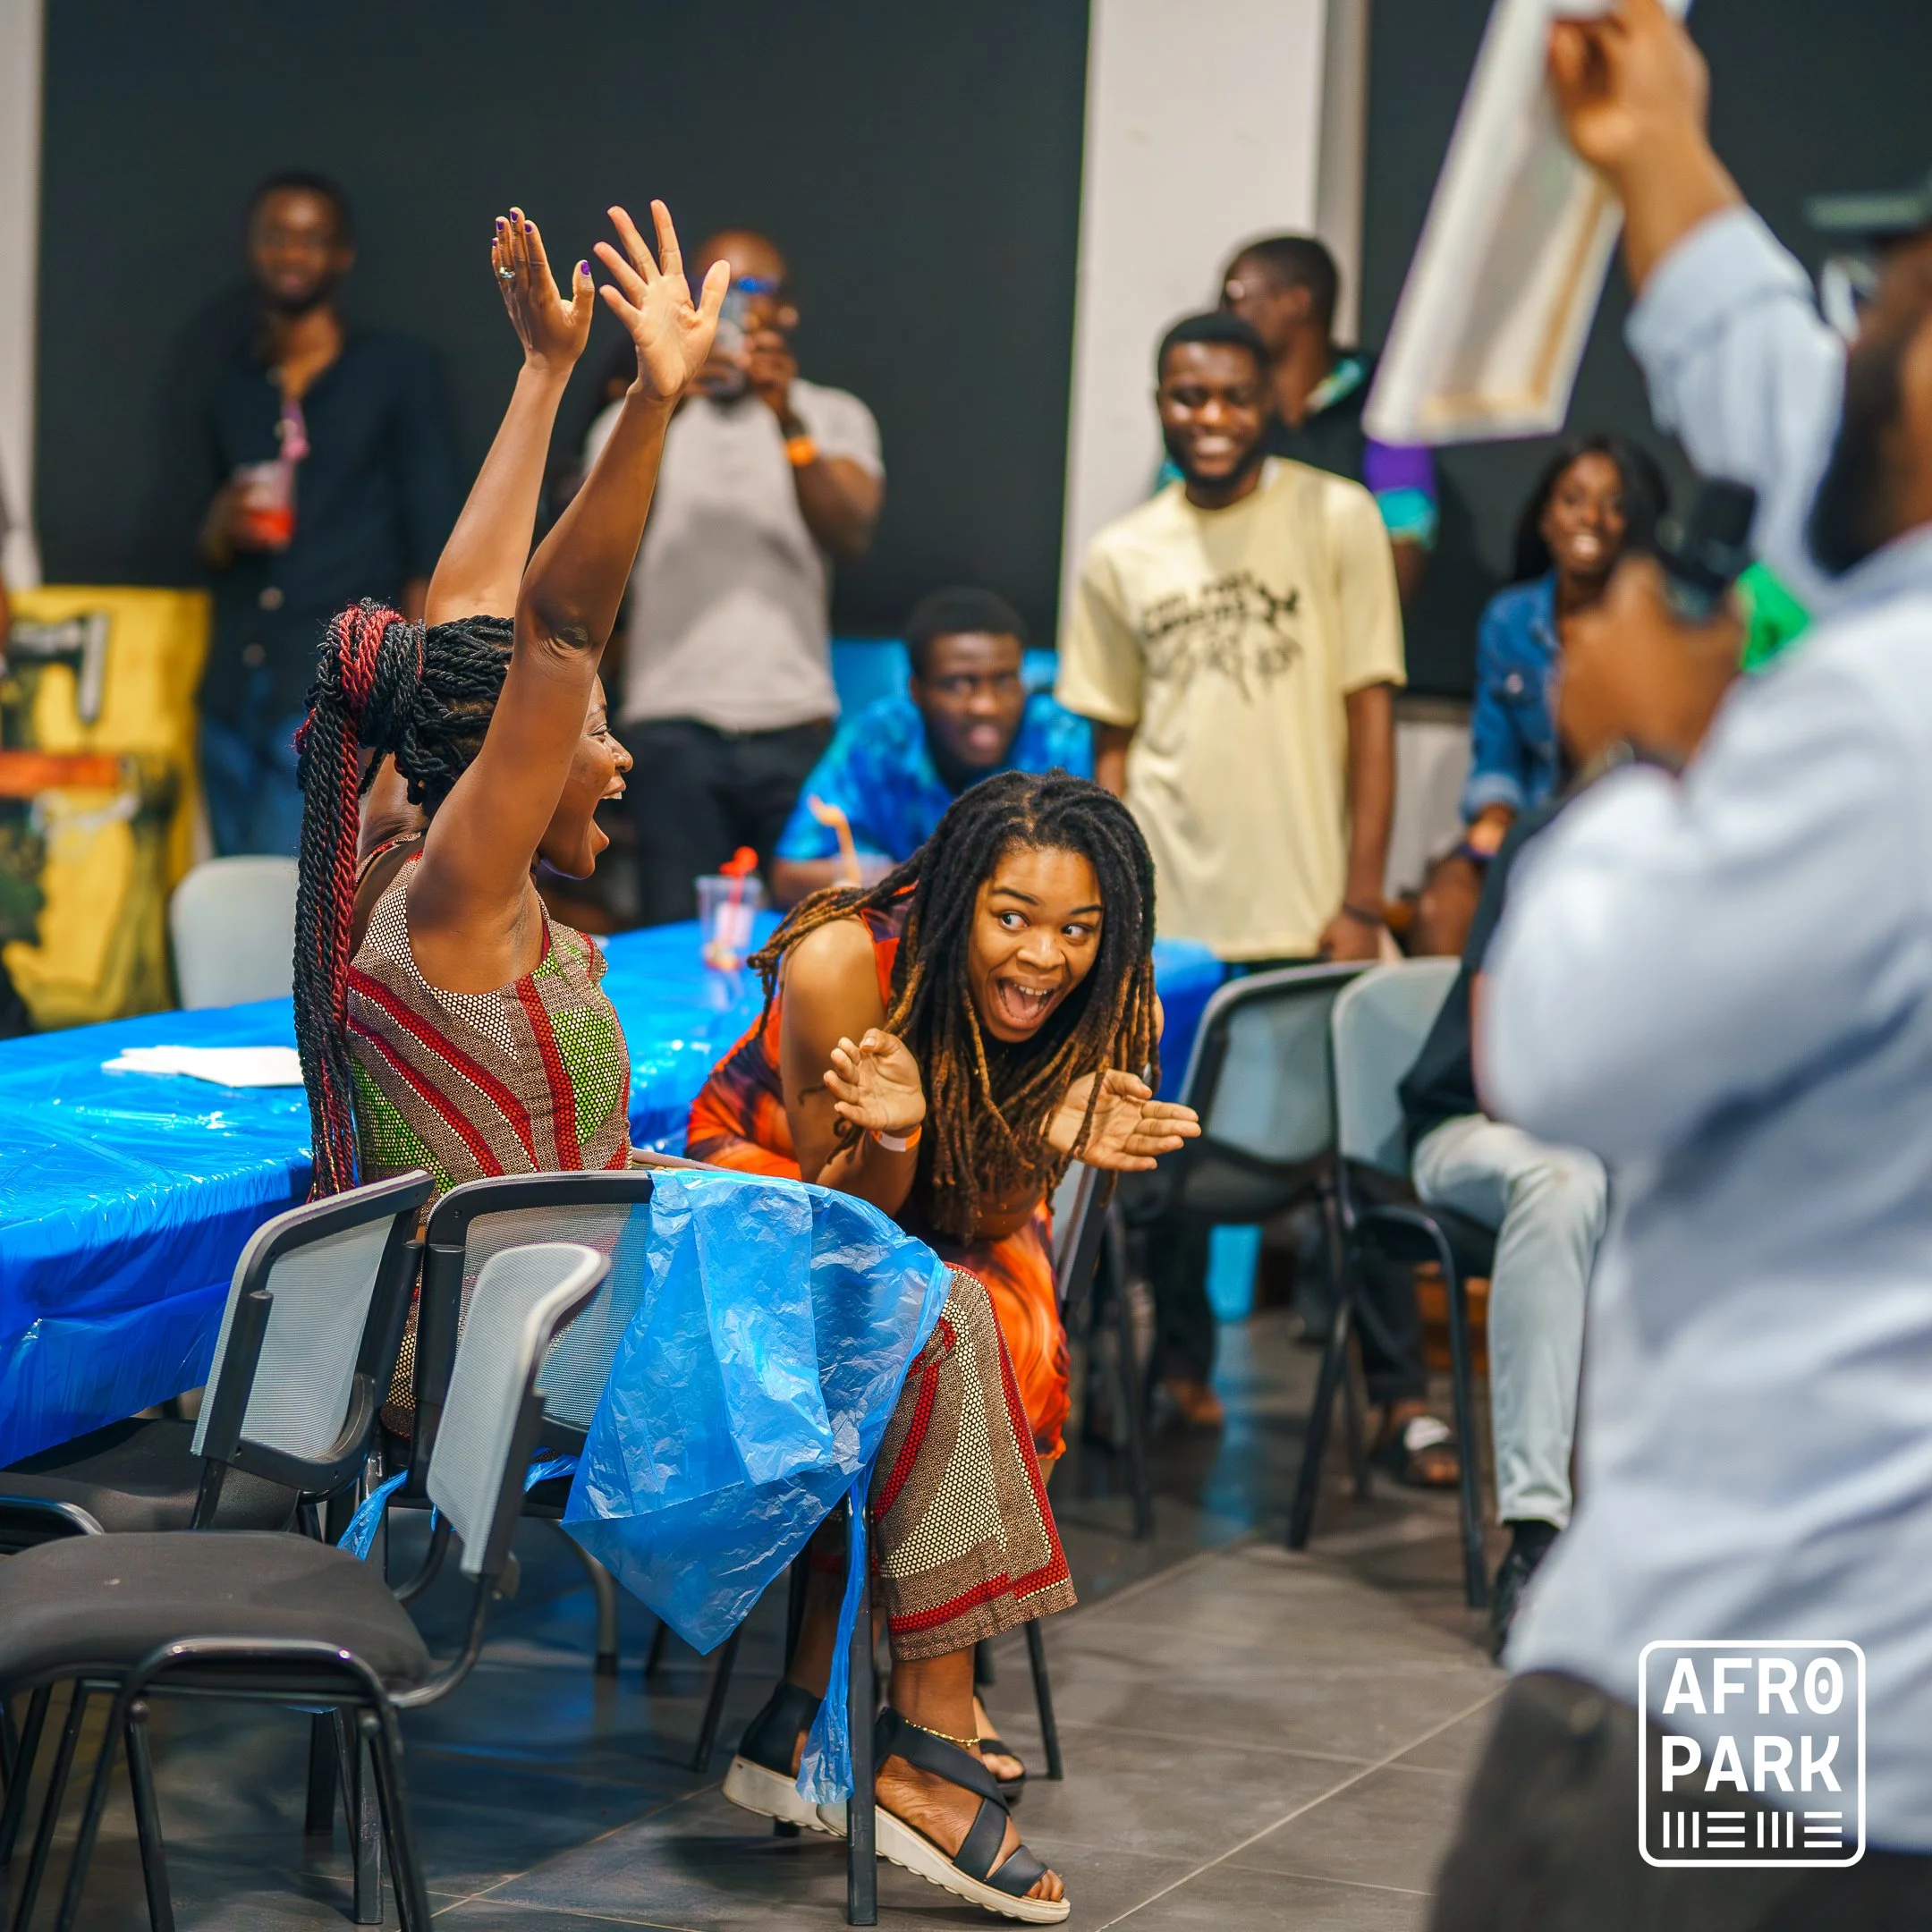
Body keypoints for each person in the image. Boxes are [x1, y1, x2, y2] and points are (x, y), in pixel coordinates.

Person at [293, 201, 1077, 1924]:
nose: (622, 754)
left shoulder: (403, 839)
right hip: (531, 1366)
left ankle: (833, 1725)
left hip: (555, 1315)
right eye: (590, 741)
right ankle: (905, 1751)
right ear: (505, 763)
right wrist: (645, 405)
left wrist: (544, 376)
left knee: (897, 1282)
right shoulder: (458, 899)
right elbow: (550, 640)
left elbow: (477, 629)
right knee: (932, 1305)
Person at [1429, 2, 1932, 1924]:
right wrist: (1656, 158)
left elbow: (1567, 1041)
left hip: (1781, 1677)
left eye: (1879, 292)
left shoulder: (1884, 718)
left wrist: (1644, 751)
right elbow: (1802, 430)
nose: (1841, 312)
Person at [688, 769, 1199, 1800]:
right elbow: (858, 1222)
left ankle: (818, 1701)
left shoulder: (1097, 993)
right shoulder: (846, 960)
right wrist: (896, 1129)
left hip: (947, 1204)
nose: (1046, 958)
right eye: (1013, 918)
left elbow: (981, 1216)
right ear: (959, 897)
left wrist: (1034, 1145)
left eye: (1080, 929)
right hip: (787, 1188)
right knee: (929, 1324)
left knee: (1009, 1330)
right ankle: (905, 1707)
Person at [1057, 308, 1403, 1425]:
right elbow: (1111, 750)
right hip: (1172, 920)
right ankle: (1174, 1377)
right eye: (1186, 396)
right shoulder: (1121, 553)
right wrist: (1101, 912)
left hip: (1310, 914)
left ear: (1271, 404)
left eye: (1232, 398)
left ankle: (1401, 1399)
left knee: (1362, 1167)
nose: (1209, 418)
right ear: (1161, 402)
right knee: (1154, 1171)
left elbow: (1374, 721)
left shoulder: (1337, 516)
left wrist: (1360, 898)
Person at [584, 228, 884, 926]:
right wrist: (668, 398)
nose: (736, 307)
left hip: (794, 722)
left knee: (808, 938)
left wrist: (787, 421)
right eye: (715, 286)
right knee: (671, 939)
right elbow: (592, 550)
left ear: (787, 312)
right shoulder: (635, 418)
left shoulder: (833, 416)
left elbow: (852, 533)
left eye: (754, 290)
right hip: (671, 726)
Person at [199, 171, 460, 858]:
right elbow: (202, 540)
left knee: (305, 908)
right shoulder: (234, 385)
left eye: (312, 239)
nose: (292, 254)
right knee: (232, 896)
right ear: (252, 247)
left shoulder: (397, 371)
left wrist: (407, 700)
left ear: (342, 255)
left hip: (335, 691)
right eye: (276, 236)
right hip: (233, 683)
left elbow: (432, 540)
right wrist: (218, 526)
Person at [1397, 799, 1606, 1657]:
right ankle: (1535, 1539)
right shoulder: (1554, 832)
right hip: (1475, 1131)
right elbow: (1501, 1075)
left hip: (1611, 1136)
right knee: (1567, 1182)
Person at [1412, 436, 1665, 957]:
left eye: (1614, 505)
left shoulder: (1660, 626)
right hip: (1528, 827)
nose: (1591, 517)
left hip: (1623, 838)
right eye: (1573, 500)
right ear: (1546, 518)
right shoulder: (1511, 620)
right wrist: (1495, 817)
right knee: (1447, 902)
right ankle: (1463, 1040)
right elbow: (1496, 748)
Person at [768, 586, 1093, 907]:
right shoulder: (880, 740)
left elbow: (1090, 878)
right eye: (957, 684)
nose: (986, 706)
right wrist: (926, 880)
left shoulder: (1061, 741)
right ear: (916, 690)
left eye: (1004, 681)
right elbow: (790, 876)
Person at [1217, 234, 1439, 606]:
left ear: (1296, 302)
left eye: (1233, 294)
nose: (1220, 311)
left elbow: (1404, 547)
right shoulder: (1221, 408)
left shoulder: (1382, 405)